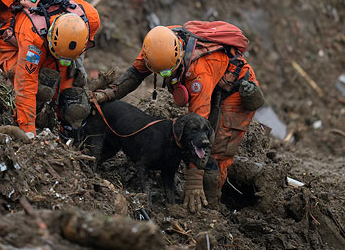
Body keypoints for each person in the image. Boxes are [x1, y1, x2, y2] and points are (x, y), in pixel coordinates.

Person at [92, 22, 265, 213]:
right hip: (210, 81)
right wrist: (107, 94)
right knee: (189, 144)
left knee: (215, 150)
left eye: (168, 72)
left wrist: (194, 181)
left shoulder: (199, 69)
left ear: (179, 56)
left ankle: (211, 207)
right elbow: (134, 75)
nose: (166, 76)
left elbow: (200, 121)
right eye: (160, 73)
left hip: (235, 90)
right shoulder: (156, 47)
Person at [0, 0, 100, 138]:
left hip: (57, 51)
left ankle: (66, 133)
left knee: (71, 102)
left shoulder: (91, 19)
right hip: (15, 48)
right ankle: (29, 121)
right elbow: (25, 88)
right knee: (42, 87)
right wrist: (28, 133)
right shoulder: (33, 41)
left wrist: (77, 61)